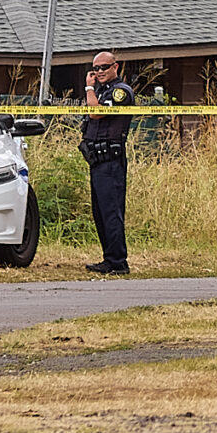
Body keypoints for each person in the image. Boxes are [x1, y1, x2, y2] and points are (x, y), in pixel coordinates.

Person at [79, 49, 136, 274]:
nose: (100, 72)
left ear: (116, 67)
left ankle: (118, 262)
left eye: (104, 67)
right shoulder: (102, 92)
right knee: (100, 213)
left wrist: (89, 87)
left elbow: (96, 114)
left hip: (111, 162)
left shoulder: (121, 92)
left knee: (111, 212)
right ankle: (109, 259)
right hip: (97, 161)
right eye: (96, 69)